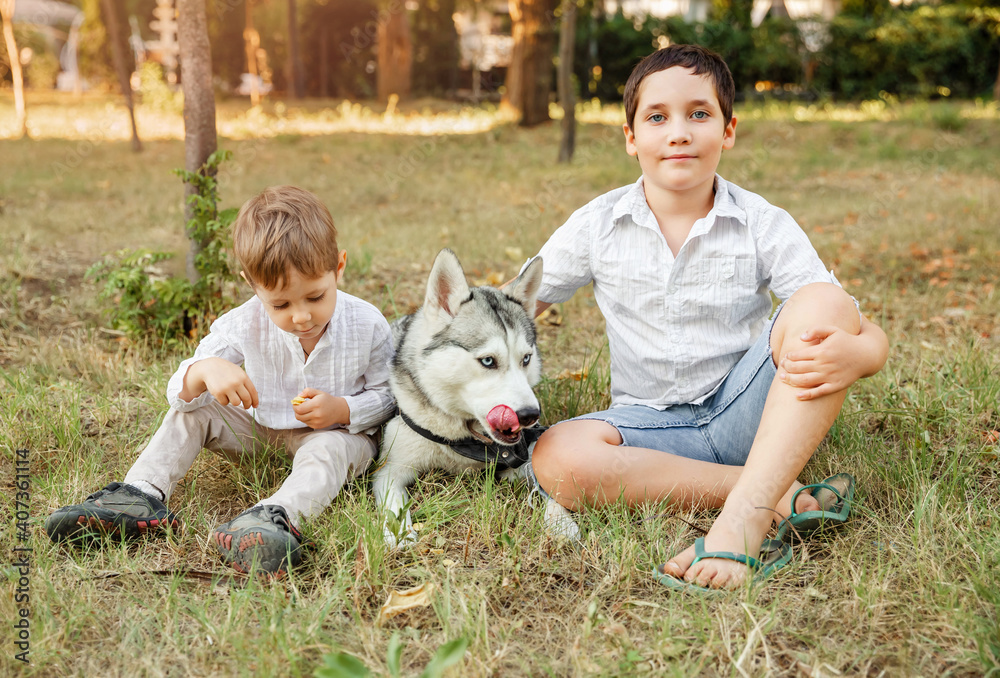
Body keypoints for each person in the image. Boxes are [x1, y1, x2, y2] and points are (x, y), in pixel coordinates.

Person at [525, 45, 888, 592]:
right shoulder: (598, 224)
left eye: (699, 114)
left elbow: (848, 319)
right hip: (649, 433)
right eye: (656, 117)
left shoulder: (760, 221)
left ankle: (743, 519)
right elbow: (510, 306)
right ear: (631, 138)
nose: (679, 132)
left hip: (752, 413)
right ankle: (752, 487)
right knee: (555, 455)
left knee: (823, 300)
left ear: (728, 130)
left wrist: (861, 354)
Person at [46, 186, 396, 577]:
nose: (300, 316)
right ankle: (140, 495)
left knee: (328, 450)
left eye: (315, 297)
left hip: (334, 434)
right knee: (194, 413)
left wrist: (344, 409)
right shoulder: (242, 323)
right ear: (252, 284)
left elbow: (389, 395)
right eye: (280, 304)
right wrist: (205, 370)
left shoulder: (367, 324)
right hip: (262, 428)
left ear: (339, 266)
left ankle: (274, 518)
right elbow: (179, 393)